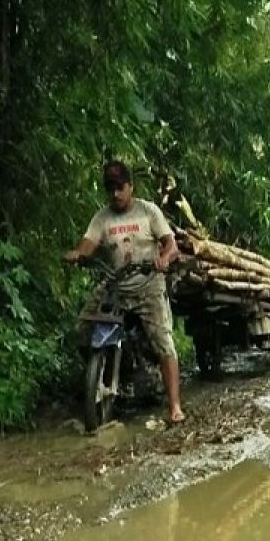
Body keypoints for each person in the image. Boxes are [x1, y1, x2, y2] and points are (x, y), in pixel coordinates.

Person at [63, 160, 185, 423]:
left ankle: (175, 407)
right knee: (83, 328)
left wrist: (164, 258)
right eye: (110, 189)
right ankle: (102, 377)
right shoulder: (102, 217)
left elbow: (170, 244)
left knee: (164, 343)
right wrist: (79, 254)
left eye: (120, 187)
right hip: (116, 284)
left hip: (148, 285)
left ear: (131, 186)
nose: (115, 194)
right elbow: (88, 243)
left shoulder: (148, 212)